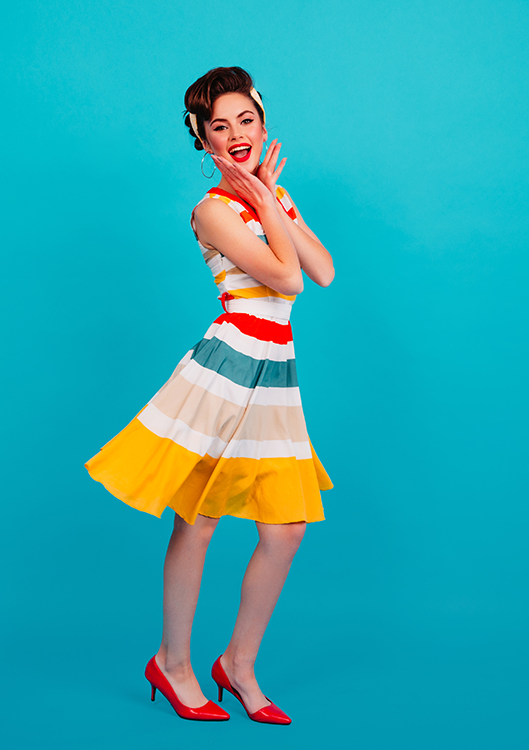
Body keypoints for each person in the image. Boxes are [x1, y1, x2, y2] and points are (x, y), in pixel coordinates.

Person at [84, 66, 334, 724]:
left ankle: (238, 665)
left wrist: (274, 197)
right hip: (226, 367)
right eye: (219, 127)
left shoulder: (274, 198)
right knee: (198, 520)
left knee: (285, 530)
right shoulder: (213, 210)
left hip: (273, 370)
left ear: (262, 121)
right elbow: (289, 278)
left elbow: (325, 270)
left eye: (245, 121)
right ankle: (172, 663)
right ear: (203, 141)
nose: (236, 134)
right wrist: (262, 196)